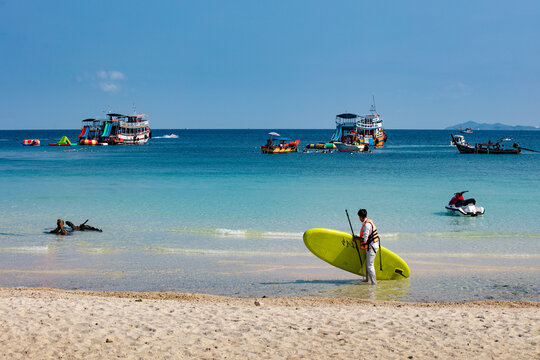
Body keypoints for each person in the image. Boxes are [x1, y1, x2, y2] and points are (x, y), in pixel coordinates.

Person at [353, 209, 379, 285]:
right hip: (369, 246)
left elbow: (365, 239)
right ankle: (367, 280)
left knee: (370, 266)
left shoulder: (367, 225)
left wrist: (356, 238)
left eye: (359, 217)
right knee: (367, 264)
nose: (359, 218)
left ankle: (374, 283)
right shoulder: (367, 222)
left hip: (372, 247)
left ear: (361, 217)